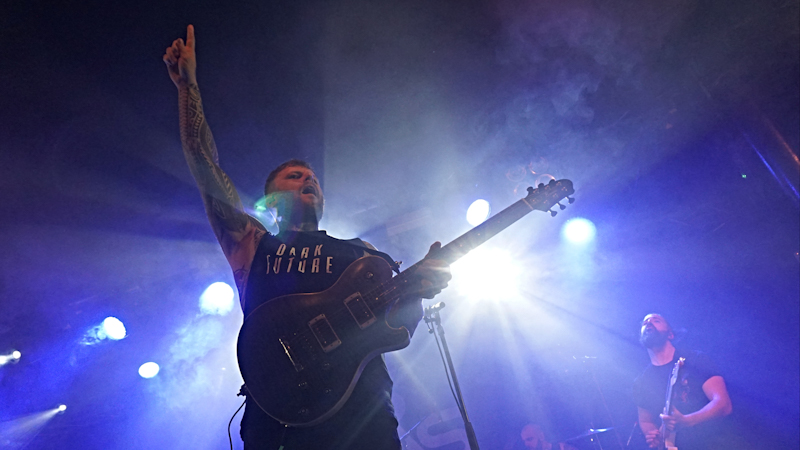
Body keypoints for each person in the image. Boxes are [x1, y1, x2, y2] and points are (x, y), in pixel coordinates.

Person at [163, 25, 452, 450]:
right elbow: (205, 166)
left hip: (362, 412)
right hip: (277, 414)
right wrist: (188, 87)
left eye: (313, 177)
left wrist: (419, 288)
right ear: (271, 197)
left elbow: (397, 328)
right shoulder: (252, 243)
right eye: (295, 176)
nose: (309, 180)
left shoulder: (362, 254)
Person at [632, 314, 733, 449]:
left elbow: (723, 404)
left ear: (670, 335)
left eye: (656, 320)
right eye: (645, 322)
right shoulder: (641, 381)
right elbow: (645, 420)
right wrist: (654, 435)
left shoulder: (696, 359)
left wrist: (688, 420)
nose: (649, 323)